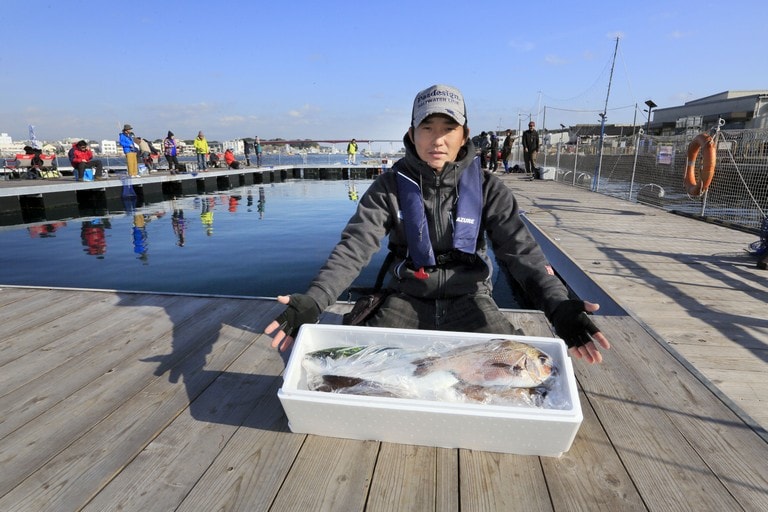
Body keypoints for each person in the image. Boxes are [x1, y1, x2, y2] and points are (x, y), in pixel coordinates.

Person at [264, 84, 611, 365]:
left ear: (465, 135)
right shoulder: (388, 187)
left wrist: (559, 306)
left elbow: (521, 252)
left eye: (449, 129)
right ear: (412, 133)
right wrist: (314, 300)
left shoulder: (489, 188)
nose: (438, 139)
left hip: (471, 297)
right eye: (427, 128)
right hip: (406, 297)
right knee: (356, 365)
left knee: (519, 367)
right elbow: (353, 248)